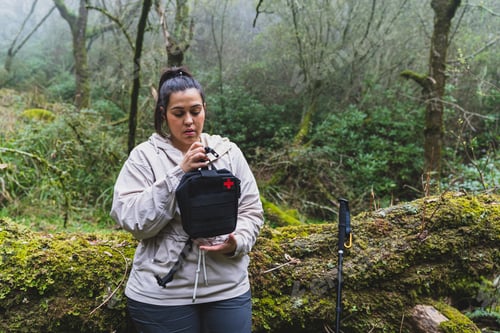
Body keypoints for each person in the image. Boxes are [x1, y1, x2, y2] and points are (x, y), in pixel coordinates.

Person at [110, 66, 264, 333]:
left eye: (195, 111)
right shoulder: (145, 157)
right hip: (161, 293)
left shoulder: (228, 152)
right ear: (163, 114)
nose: (189, 121)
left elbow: (251, 210)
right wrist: (179, 173)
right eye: (179, 114)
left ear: (204, 108)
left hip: (227, 287)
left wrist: (236, 242)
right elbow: (132, 219)